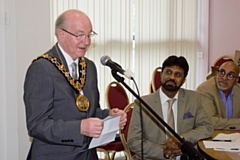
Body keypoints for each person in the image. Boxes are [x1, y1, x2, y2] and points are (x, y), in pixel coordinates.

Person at [23, 9, 127, 160]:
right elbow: (37, 125)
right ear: (61, 35)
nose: (86, 42)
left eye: (89, 35)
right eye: (79, 35)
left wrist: (108, 115)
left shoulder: (89, 67)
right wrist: (80, 128)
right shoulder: (42, 69)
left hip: (88, 155)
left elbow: (90, 111)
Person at [127, 55, 213, 160]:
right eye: (168, 72)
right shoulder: (142, 103)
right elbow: (133, 141)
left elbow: (207, 128)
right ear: (161, 75)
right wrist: (163, 151)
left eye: (177, 75)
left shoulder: (193, 98)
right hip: (154, 157)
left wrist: (180, 140)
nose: (172, 77)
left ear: (183, 81)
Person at [196, 61, 240, 130]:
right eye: (222, 72)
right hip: (211, 136)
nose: (224, 78)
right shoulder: (205, 89)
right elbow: (211, 122)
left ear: (236, 80)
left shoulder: (238, 90)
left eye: (230, 75)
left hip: (235, 137)